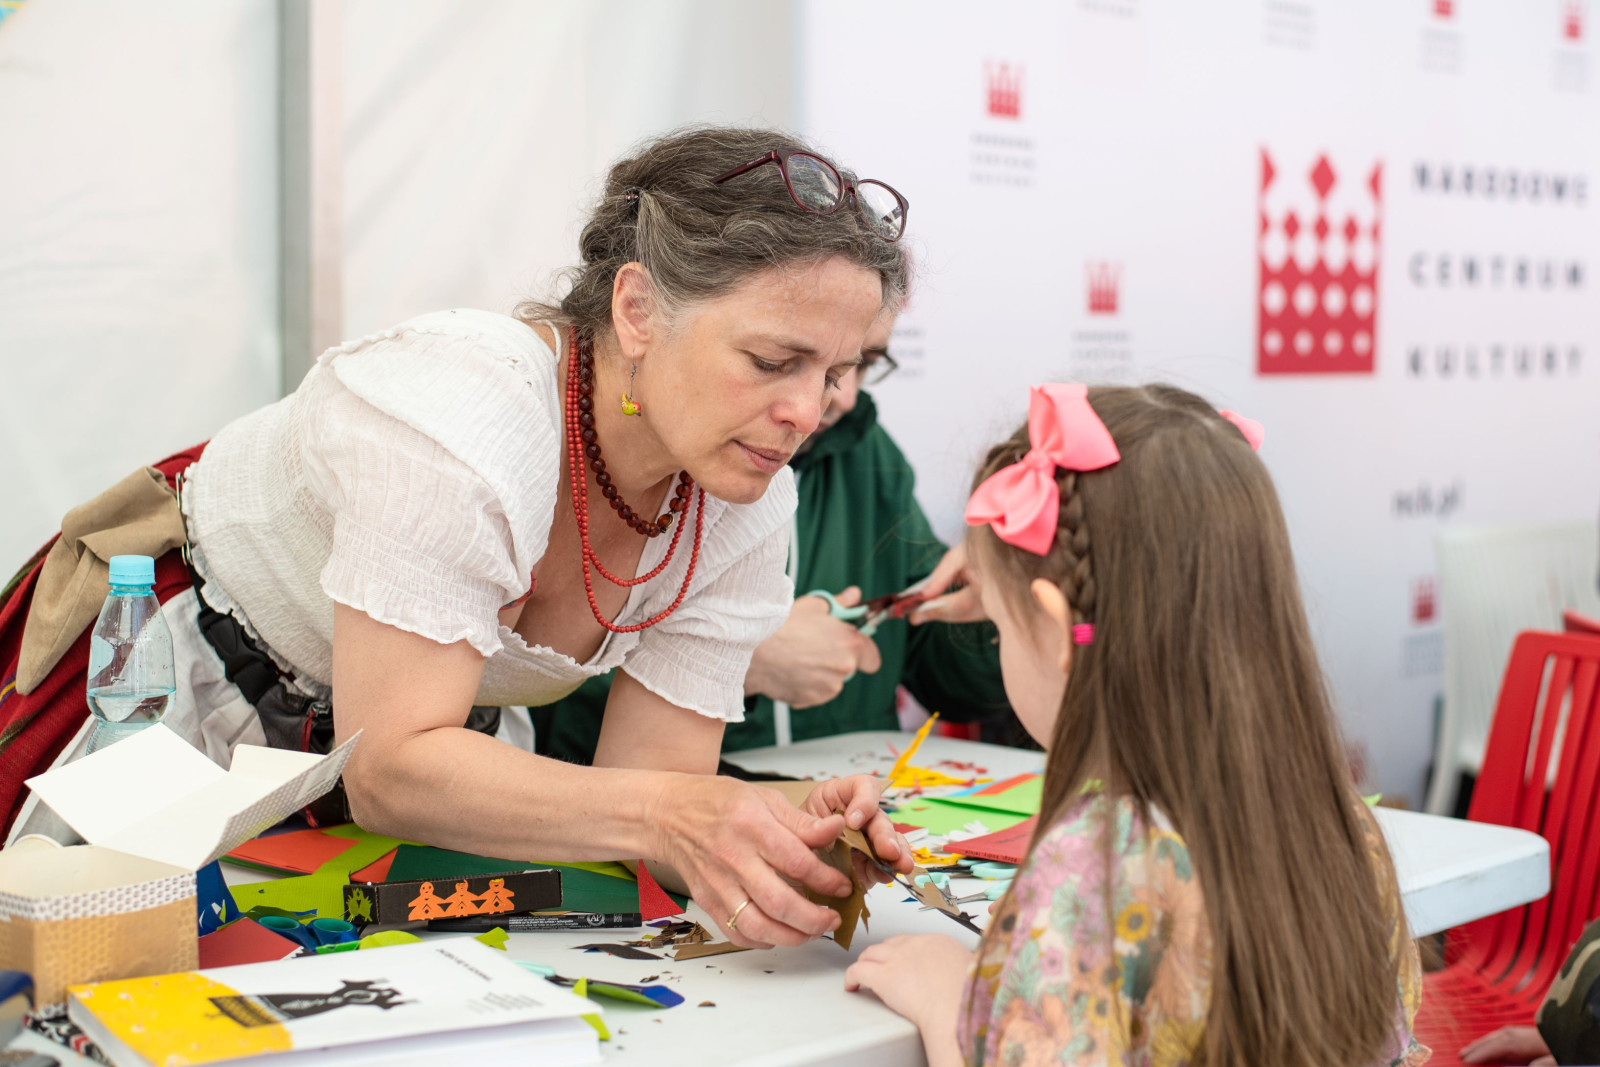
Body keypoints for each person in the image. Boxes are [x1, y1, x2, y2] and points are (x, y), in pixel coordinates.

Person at [0, 126, 916, 948]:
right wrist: (685, 812)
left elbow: (645, 793)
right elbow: (394, 767)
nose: (808, 413)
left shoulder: (743, 502)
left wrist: (782, 823)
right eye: (772, 360)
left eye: (840, 372)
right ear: (637, 309)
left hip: (424, 776)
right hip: (182, 702)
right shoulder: (469, 410)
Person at [843, 383, 1428, 1066]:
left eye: (999, 627)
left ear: (1058, 632)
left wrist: (951, 1004)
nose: (999, 640)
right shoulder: (1346, 828)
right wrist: (1007, 585)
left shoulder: (1090, 875)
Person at [530, 307, 1011, 761]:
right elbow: (525, 695)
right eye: (778, 361)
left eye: (855, 366)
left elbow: (955, 677)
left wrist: (1010, 603)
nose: (838, 400)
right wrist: (735, 663)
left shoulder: (871, 456)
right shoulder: (583, 444)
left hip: (836, 798)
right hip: (652, 797)